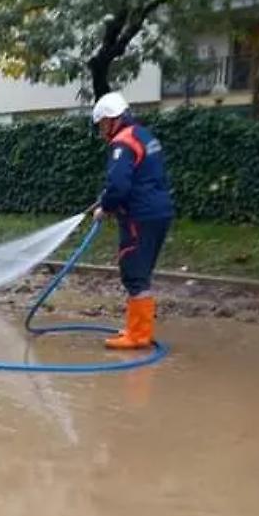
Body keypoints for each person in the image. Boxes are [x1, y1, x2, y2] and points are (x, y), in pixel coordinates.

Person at [90, 92, 175, 350]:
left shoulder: (122, 143)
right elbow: (144, 176)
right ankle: (138, 329)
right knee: (142, 272)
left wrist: (105, 207)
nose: (102, 131)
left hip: (140, 216)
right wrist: (106, 198)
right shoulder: (144, 135)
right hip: (159, 212)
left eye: (102, 124)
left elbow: (118, 185)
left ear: (111, 120)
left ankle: (137, 336)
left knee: (134, 272)